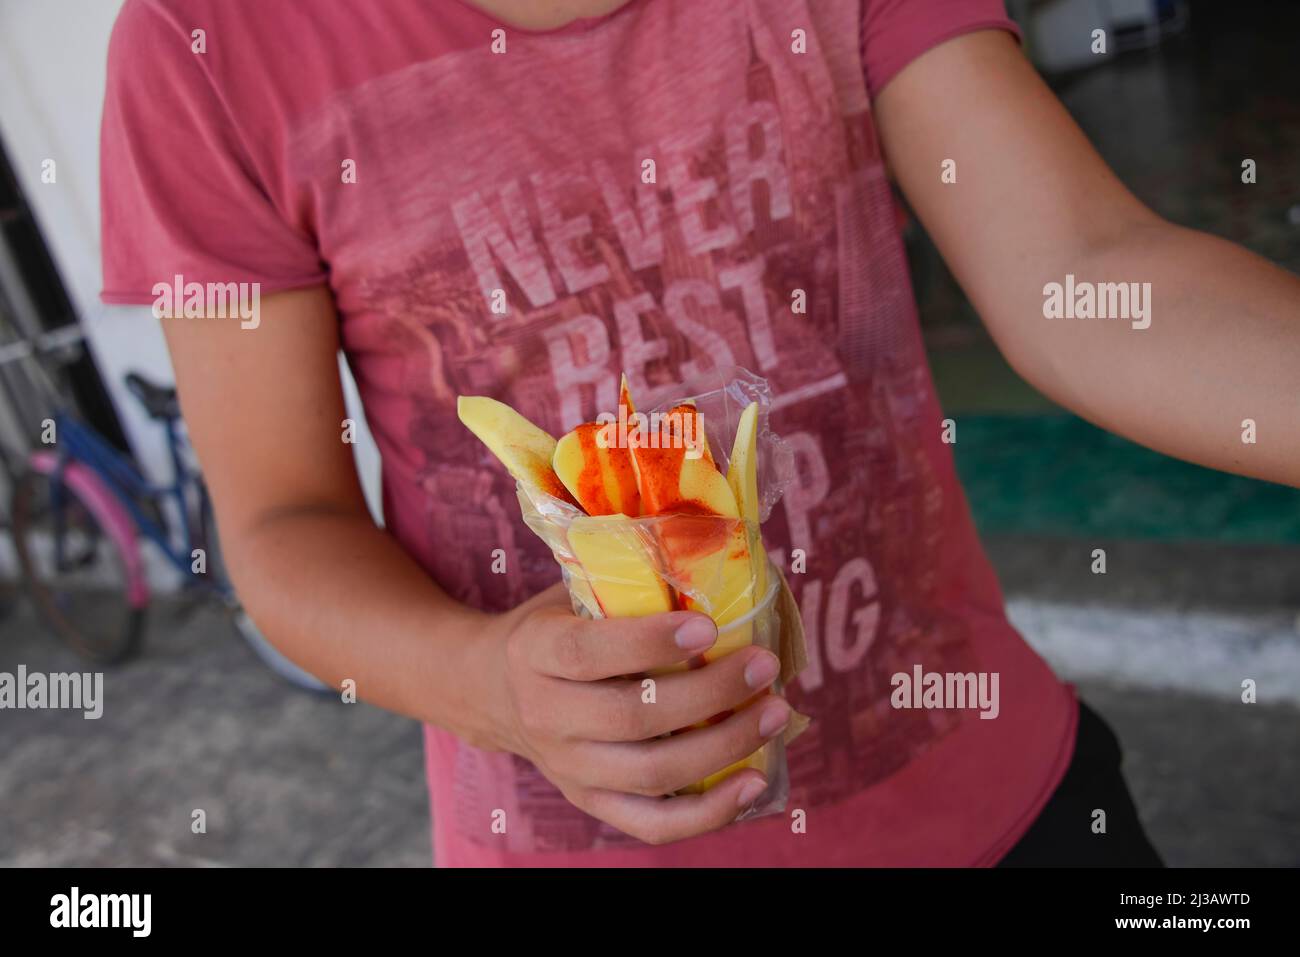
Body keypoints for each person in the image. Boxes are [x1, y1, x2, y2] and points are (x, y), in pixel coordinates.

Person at [99, 0, 1297, 867]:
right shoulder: (199, 47)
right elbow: (277, 523)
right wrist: (491, 687)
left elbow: (1087, 279)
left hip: (998, 807)